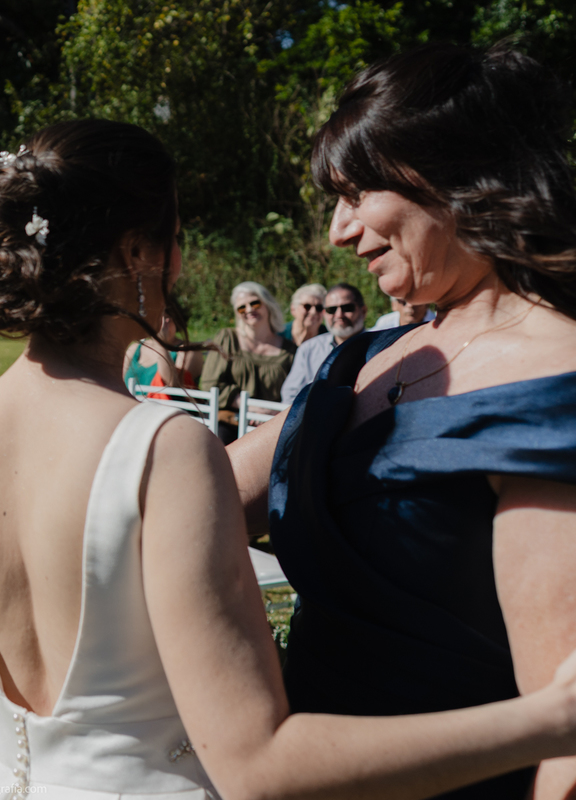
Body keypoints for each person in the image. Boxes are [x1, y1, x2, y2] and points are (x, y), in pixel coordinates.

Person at [0, 118, 576, 800]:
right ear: (139, 251)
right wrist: (551, 720)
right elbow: (256, 767)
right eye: (176, 240)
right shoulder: (164, 450)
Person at [227, 43, 576, 799]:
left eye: (357, 194)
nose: (337, 233)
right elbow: (196, 491)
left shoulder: (555, 383)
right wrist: (39, 413)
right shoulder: (365, 358)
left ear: (454, 173)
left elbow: (567, 741)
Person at [200, 281, 295, 439]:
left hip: (271, 424)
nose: (249, 310)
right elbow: (210, 383)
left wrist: (270, 412)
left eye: (255, 303)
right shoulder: (227, 339)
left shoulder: (289, 351)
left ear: (268, 305)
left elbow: (295, 392)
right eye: (242, 307)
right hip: (230, 421)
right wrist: (250, 407)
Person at [278, 282, 366, 403]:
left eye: (347, 308)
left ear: (363, 311)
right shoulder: (309, 349)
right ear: (325, 314)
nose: (339, 315)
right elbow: (290, 394)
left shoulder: (381, 345)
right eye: (332, 309)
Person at [122, 313, 205, 394]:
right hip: (131, 405)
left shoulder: (188, 351)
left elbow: (174, 388)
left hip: (167, 407)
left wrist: (160, 342)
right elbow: (118, 382)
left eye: (166, 317)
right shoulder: (134, 348)